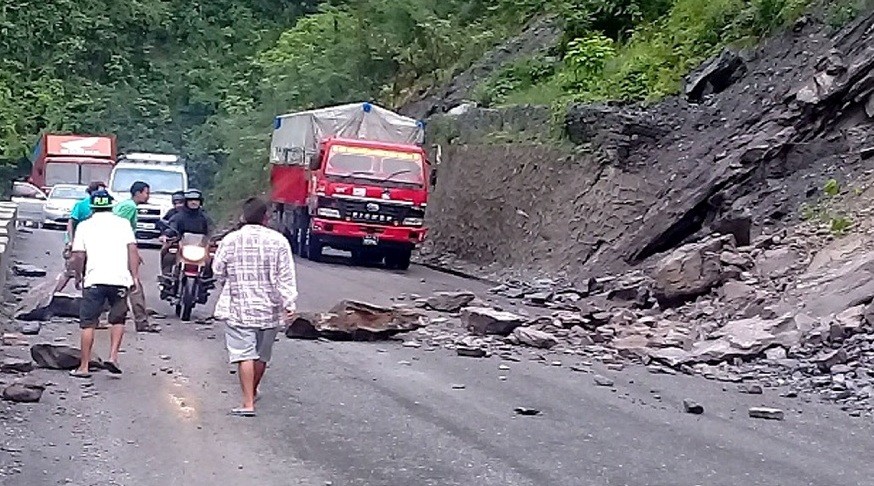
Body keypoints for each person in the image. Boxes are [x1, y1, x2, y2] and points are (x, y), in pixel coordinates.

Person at [212, 197, 297, 417]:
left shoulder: (230, 240)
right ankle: (254, 390)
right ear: (266, 218)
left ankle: (248, 402)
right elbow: (285, 276)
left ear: (243, 216)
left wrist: (228, 281)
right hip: (270, 309)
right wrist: (289, 303)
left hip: (239, 307)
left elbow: (218, 269)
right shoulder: (278, 241)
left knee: (244, 355)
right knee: (261, 355)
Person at [69, 190, 140, 378]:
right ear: (111, 205)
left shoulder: (84, 226)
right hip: (119, 280)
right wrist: (135, 277)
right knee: (117, 319)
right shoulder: (123, 224)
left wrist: (78, 275)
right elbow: (133, 250)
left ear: (92, 206)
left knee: (88, 323)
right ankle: (113, 357)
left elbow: (78, 255)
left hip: (94, 280)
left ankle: (84, 367)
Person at [113, 181, 158, 333]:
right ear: (138, 193)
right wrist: (132, 252)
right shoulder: (129, 207)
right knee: (134, 283)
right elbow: (120, 228)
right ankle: (141, 321)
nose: (148, 196)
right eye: (146, 192)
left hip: (120, 248)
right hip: (122, 248)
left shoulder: (125, 205)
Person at [57, 181, 105, 293]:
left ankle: (85, 296)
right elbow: (71, 223)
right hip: (78, 242)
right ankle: (54, 294)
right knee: (70, 270)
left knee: (89, 271)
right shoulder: (82, 205)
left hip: (92, 243)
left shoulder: (102, 207)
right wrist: (70, 241)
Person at [161, 189, 212, 278]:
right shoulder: (178, 216)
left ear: (200, 202)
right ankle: (167, 277)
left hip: (200, 246)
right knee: (167, 252)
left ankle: (207, 278)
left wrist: (216, 239)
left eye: (196, 200)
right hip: (181, 244)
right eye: (190, 200)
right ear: (186, 202)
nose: (193, 202)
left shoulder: (205, 217)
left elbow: (212, 229)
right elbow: (172, 227)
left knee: (212, 257)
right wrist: (166, 235)